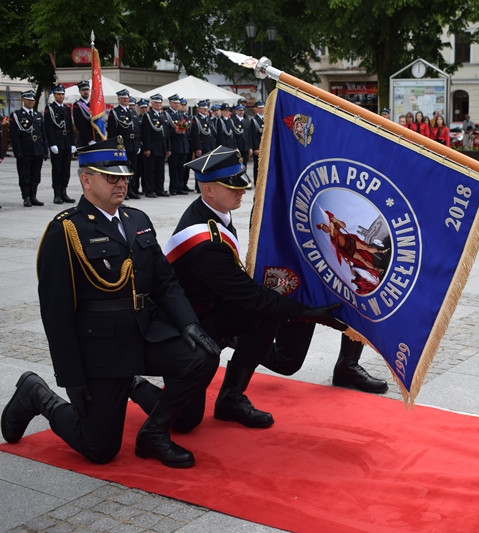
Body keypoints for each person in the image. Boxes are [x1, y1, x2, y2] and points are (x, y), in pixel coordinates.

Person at [0, 136, 220, 468]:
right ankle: (37, 394)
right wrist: (70, 377)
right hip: (102, 349)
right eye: (111, 177)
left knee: (202, 358)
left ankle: (153, 434)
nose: (121, 183)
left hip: (145, 335)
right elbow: (56, 314)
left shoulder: (137, 220)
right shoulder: (67, 231)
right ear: (86, 180)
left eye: (124, 177)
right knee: (100, 450)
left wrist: (189, 323)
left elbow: (165, 282)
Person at [129, 146, 366, 430]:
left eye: (241, 184)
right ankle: (129, 382)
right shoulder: (206, 241)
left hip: (210, 310)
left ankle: (231, 398)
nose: (241, 192)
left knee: (265, 315)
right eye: (232, 187)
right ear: (208, 190)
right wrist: (310, 313)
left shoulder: (216, 212)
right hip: (182, 324)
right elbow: (251, 296)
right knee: (185, 421)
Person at [9, 90, 47, 207]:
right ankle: (26, 197)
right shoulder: (17, 115)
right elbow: (14, 136)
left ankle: (33, 196)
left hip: (37, 148)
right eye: (28, 100)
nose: (30, 102)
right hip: (25, 149)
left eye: (32, 100)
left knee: (36, 174)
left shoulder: (38, 115)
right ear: (23, 100)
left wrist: (45, 150)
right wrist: (17, 152)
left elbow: (43, 134)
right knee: (25, 174)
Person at [44, 84, 77, 204]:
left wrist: (73, 143)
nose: (61, 96)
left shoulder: (66, 109)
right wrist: (52, 143)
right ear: (54, 95)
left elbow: (69, 127)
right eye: (58, 94)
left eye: (62, 94)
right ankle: (57, 193)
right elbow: (48, 128)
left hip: (66, 141)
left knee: (66, 170)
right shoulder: (50, 109)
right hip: (57, 142)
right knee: (57, 169)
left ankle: (64, 192)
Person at [107, 89, 141, 200]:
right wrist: (115, 146)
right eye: (124, 98)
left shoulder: (132, 112)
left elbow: (137, 129)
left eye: (127, 98)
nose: (126, 100)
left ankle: (131, 189)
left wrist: (138, 144)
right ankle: (124, 190)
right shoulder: (115, 112)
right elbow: (112, 131)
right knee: (123, 169)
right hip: (122, 144)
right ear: (119, 99)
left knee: (133, 168)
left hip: (133, 144)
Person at [140, 93, 171, 198]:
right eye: (156, 102)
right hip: (152, 147)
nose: (158, 104)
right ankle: (150, 190)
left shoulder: (164, 115)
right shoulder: (148, 116)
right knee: (150, 170)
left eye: (160, 102)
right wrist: (147, 148)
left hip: (162, 147)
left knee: (160, 170)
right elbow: (146, 133)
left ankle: (159, 189)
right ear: (152, 103)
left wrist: (168, 148)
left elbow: (167, 134)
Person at [165, 94, 190, 196]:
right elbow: (166, 132)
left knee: (181, 168)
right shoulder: (167, 115)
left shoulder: (181, 115)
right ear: (170, 103)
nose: (177, 105)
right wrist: (175, 131)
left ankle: (180, 186)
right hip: (174, 145)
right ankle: (173, 187)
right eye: (175, 103)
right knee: (173, 168)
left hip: (182, 145)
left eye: (178, 103)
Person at [72, 80, 93, 147]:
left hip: (95, 137)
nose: (85, 92)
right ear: (80, 91)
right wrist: (89, 139)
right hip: (84, 139)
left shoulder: (93, 104)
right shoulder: (77, 105)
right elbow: (79, 124)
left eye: (87, 89)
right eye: (83, 90)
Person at [249, 100, 265, 181]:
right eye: (260, 108)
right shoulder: (254, 120)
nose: (262, 110)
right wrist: (255, 148)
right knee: (257, 165)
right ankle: (257, 181)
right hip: (258, 147)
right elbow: (252, 135)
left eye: (263, 108)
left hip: (266, 146)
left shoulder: (267, 118)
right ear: (256, 109)